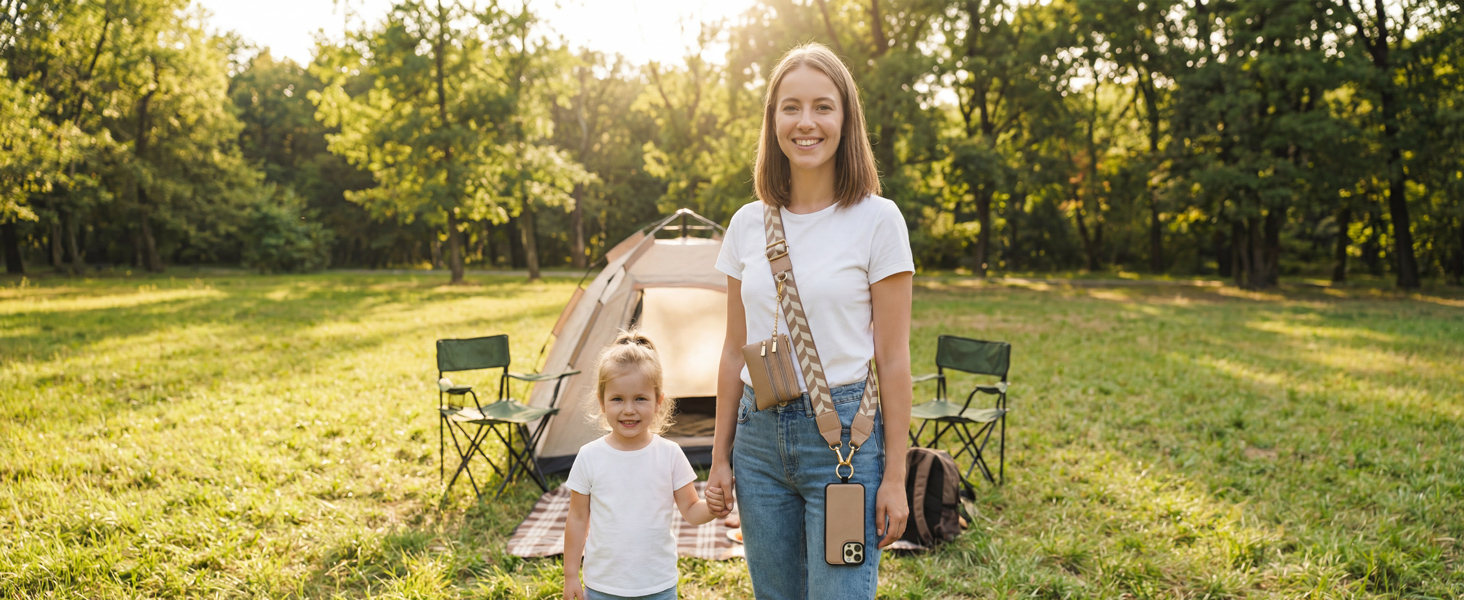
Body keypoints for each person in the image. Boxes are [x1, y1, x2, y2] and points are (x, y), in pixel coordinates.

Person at [704, 42, 914, 599]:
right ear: (773, 118)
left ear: (846, 119)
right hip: (757, 440)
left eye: (823, 106)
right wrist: (718, 458)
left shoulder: (877, 219)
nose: (806, 122)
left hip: (843, 440)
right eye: (790, 106)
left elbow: (893, 360)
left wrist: (895, 476)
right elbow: (732, 349)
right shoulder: (747, 224)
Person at [563, 331, 717, 600]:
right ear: (601, 402)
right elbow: (577, 518)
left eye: (640, 399)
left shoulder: (670, 454)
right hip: (603, 586)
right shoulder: (589, 456)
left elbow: (691, 510)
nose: (629, 409)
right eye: (617, 399)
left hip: (657, 585)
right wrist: (570, 576)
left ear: (658, 401)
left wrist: (714, 507)